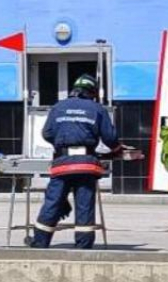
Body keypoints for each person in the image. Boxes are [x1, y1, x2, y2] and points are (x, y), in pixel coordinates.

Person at [26, 74, 121, 249]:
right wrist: (117, 151)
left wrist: (62, 142)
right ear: (92, 92)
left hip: (63, 163)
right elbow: (110, 138)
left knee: (53, 202)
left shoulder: (58, 107)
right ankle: (83, 245)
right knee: (84, 204)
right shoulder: (97, 108)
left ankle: (40, 242)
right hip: (86, 165)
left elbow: (47, 133)